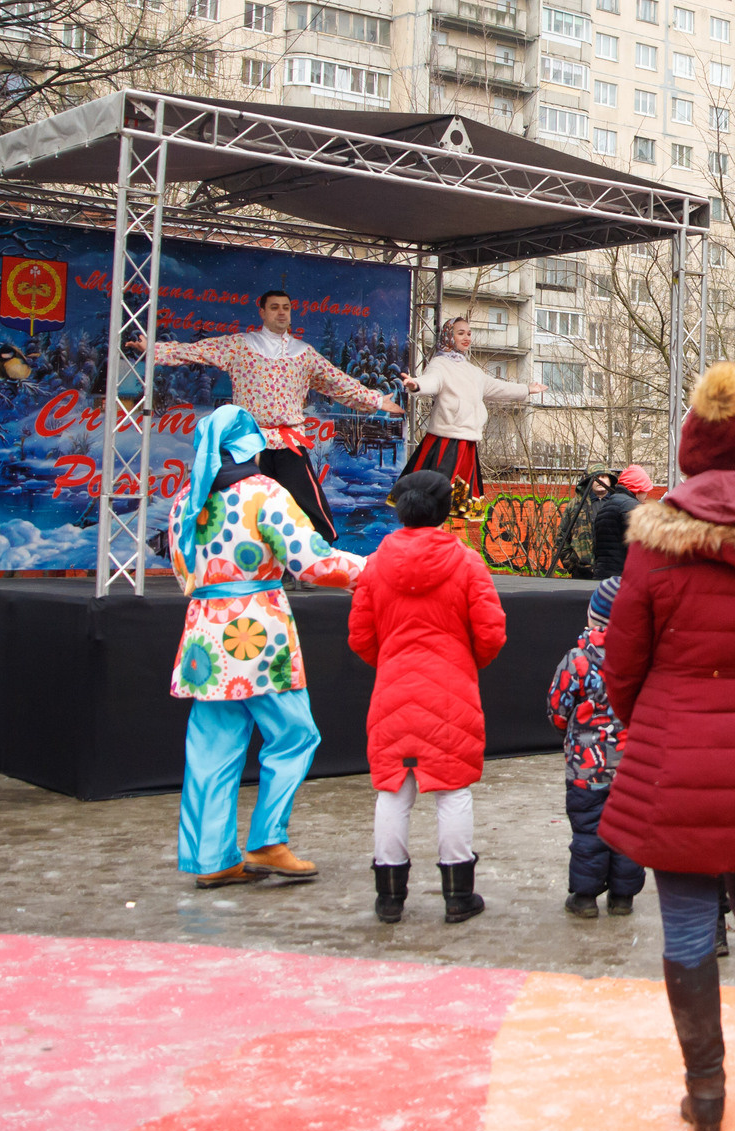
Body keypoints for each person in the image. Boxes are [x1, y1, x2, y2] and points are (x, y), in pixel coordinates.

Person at [599, 361, 735, 1131]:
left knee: (688, 921)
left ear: (691, 451)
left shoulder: (653, 546)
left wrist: (656, 714)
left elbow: (620, 665)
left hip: (673, 755)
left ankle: (708, 1093)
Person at [164, 404, 366, 888]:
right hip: (258, 635)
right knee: (294, 735)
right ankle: (267, 842)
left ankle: (211, 858)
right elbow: (312, 562)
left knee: (212, 747)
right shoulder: (263, 494)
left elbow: (182, 572)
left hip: (204, 639)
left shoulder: (184, 502)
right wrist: (374, 570)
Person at [348, 468, 508, 923]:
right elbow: (491, 632)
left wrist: (393, 661)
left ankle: (389, 899)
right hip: (451, 690)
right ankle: (458, 897)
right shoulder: (466, 561)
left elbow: (360, 636)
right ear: (444, 510)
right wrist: (463, 660)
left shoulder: (375, 564)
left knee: (393, 791)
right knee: (452, 790)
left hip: (393, 689)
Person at [136, 290, 401, 541]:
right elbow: (197, 351)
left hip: (289, 441)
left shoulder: (303, 353)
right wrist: (155, 350)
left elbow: (338, 382)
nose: (282, 313)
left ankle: (311, 555)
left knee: (305, 501)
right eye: (275, 308)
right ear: (262, 312)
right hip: (250, 443)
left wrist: (377, 400)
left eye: (286, 308)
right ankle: (249, 560)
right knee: (247, 504)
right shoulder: (240, 345)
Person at [546, 576, 643, 918]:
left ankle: (585, 898)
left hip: (586, 770)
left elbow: (557, 708)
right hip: (632, 770)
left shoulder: (577, 660)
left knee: (589, 831)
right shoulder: (643, 660)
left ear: (592, 617)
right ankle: (622, 897)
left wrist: (568, 732)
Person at [400, 316, 545, 506]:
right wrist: (416, 384)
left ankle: (440, 533)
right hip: (446, 441)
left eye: (469, 333)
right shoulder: (440, 364)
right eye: (460, 333)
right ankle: (430, 532)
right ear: (448, 336)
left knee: (455, 502)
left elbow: (497, 387)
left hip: (467, 443)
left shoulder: (473, 371)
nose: (466, 337)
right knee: (433, 497)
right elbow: (432, 381)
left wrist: (526, 389)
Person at [592, 464, 651, 579]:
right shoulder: (632, 507)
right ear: (638, 489)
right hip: (623, 578)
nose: (646, 495)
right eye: (646, 491)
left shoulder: (606, 506)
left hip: (603, 577)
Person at [556, 469, 612, 580]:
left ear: (610, 480)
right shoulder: (575, 505)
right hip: (582, 572)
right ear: (589, 481)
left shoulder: (617, 503)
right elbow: (562, 536)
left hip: (611, 571)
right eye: (597, 477)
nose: (600, 480)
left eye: (604, 476)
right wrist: (571, 563)